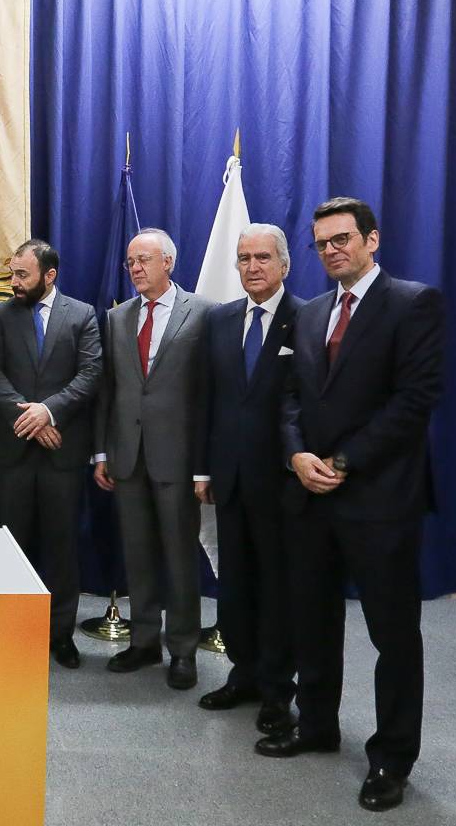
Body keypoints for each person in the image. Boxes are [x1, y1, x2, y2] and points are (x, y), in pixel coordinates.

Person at [258, 197, 444, 814]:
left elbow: (414, 401)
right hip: (309, 497)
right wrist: (296, 458)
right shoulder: (308, 314)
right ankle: (316, 725)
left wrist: (340, 461)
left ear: (372, 240)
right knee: (311, 619)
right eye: (322, 243)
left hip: (380, 499)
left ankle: (391, 757)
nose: (332, 250)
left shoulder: (413, 303)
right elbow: (288, 401)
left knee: (393, 634)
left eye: (343, 239)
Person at [93, 227, 211, 690]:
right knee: (138, 553)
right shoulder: (117, 317)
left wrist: (204, 463)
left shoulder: (202, 313)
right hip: (126, 456)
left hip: (178, 459)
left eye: (144, 260)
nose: (135, 269)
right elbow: (110, 389)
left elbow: (207, 395)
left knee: (180, 557)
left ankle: (182, 649)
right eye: (130, 262)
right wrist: (102, 452)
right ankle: (143, 641)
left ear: (168, 262)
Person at [195, 225, 302, 730]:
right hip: (228, 479)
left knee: (279, 588)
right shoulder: (219, 320)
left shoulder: (307, 318)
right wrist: (202, 469)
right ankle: (242, 673)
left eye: (262, 257)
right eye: (243, 258)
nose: (251, 266)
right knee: (235, 582)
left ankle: (279, 688)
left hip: (282, 483)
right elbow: (207, 401)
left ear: (283, 264)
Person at [0, 241, 101, 669]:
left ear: (49, 275)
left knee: (61, 547)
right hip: (13, 450)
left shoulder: (82, 314)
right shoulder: (0, 315)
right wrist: (31, 417)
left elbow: (91, 373)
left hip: (61, 451)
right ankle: (12, 633)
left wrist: (49, 412)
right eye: (12, 273)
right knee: (13, 547)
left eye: (22, 275)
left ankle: (60, 634)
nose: (14, 282)